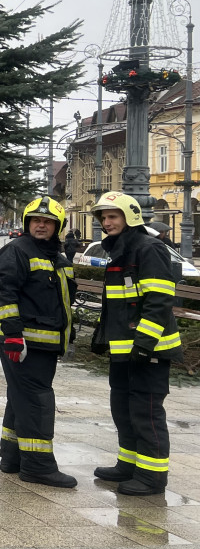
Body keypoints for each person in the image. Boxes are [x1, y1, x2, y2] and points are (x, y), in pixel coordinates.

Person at [90, 190, 181, 495]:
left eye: (112, 216)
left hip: (148, 351)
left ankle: (152, 476)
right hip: (125, 352)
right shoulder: (121, 250)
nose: (106, 222)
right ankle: (128, 465)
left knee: (146, 413)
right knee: (123, 410)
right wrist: (102, 338)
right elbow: (118, 305)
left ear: (130, 217)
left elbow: (159, 301)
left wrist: (144, 344)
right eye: (103, 217)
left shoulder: (148, 248)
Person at [0, 196, 78, 488]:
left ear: (58, 227)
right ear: (28, 224)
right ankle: (38, 467)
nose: (41, 225)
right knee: (37, 400)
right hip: (24, 343)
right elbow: (2, 294)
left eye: (48, 221)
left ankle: (12, 458)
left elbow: (62, 301)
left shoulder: (58, 258)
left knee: (21, 398)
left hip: (43, 343)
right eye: (36, 220)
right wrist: (13, 335)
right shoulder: (17, 250)